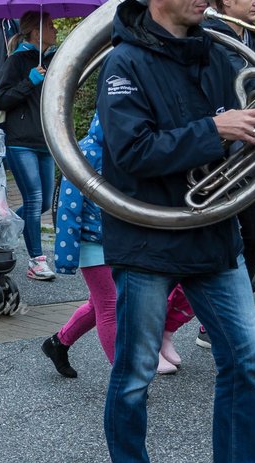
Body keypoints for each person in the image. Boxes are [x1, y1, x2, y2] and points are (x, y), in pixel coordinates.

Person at [98, 0, 255, 463]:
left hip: (213, 234)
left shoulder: (218, 54)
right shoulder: (123, 63)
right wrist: (215, 129)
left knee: (246, 358)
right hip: (148, 237)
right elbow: (131, 151)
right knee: (135, 370)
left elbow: (242, 129)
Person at [43, 115, 196, 378]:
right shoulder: (85, 152)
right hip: (93, 243)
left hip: (123, 242)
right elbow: (68, 207)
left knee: (99, 304)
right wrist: (66, 256)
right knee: (111, 308)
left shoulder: (130, 151)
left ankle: (58, 343)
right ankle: (126, 378)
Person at [202, 0, 255, 298]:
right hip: (223, 153)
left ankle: (224, 310)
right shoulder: (209, 38)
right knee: (243, 237)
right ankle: (215, 314)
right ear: (227, 0)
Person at [0, 10, 57, 281]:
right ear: (35, 32)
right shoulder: (17, 60)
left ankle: (2, 230)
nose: (55, 30)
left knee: (42, 202)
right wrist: (29, 81)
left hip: (47, 139)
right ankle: (36, 261)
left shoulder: (55, 59)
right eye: (50, 26)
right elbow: (2, 99)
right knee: (32, 199)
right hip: (21, 141)